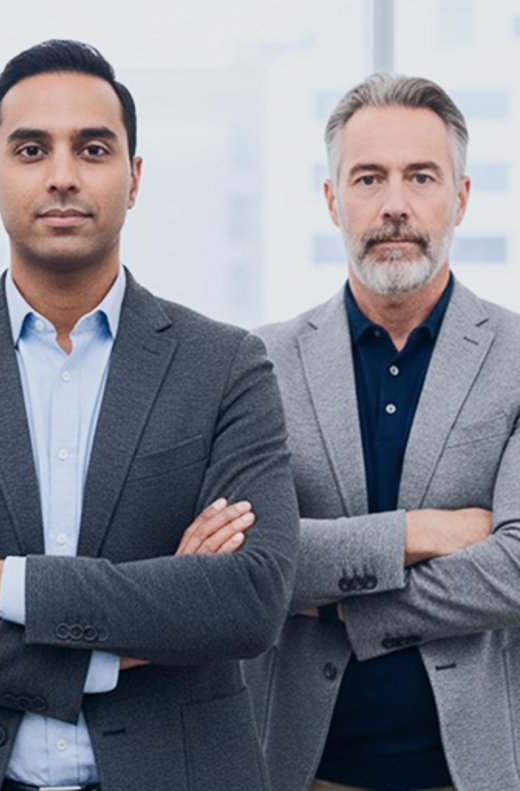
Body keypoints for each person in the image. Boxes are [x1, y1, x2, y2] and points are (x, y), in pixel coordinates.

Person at [0, 40, 297, 790]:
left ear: (134, 177)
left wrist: (0, 583)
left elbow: (248, 600)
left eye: (93, 148)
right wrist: (118, 641)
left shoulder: (225, 367)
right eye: (30, 149)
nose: (62, 175)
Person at [249, 73, 520, 791]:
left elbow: (516, 569)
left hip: (476, 772)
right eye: (368, 178)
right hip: (301, 772)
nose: (394, 205)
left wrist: (338, 602)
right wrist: (420, 531)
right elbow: (251, 561)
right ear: (333, 199)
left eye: (420, 177)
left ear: (459, 197)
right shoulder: (259, 363)